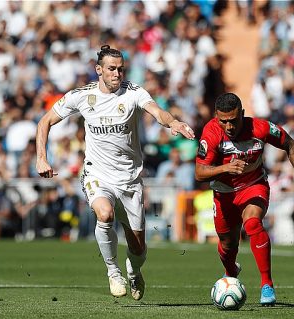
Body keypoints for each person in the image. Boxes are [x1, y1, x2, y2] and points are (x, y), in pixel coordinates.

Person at [36, 45, 195, 300]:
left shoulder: (133, 92)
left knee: (139, 248)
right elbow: (45, 121)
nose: (117, 74)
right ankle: (113, 271)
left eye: (121, 69)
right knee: (104, 213)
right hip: (97, 173)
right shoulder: (82, 96)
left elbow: (157, 112)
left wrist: (173, 122)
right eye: (111, 69)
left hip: (130, 179)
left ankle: (133, 270)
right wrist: (42, 158)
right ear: (98, 70)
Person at [195, 93, 294, 306]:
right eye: (224, 121)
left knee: (252, 223)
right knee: (227, 245)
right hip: (224, 194)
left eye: (233, 120)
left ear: (242, 113)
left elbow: (290, 144)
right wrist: (225, 168)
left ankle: (266, 284)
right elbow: (200, 172)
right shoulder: (211, 133)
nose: (229, 126)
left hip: (253, 185)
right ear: (216, 117)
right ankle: (231, 271)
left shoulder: (260, 128)